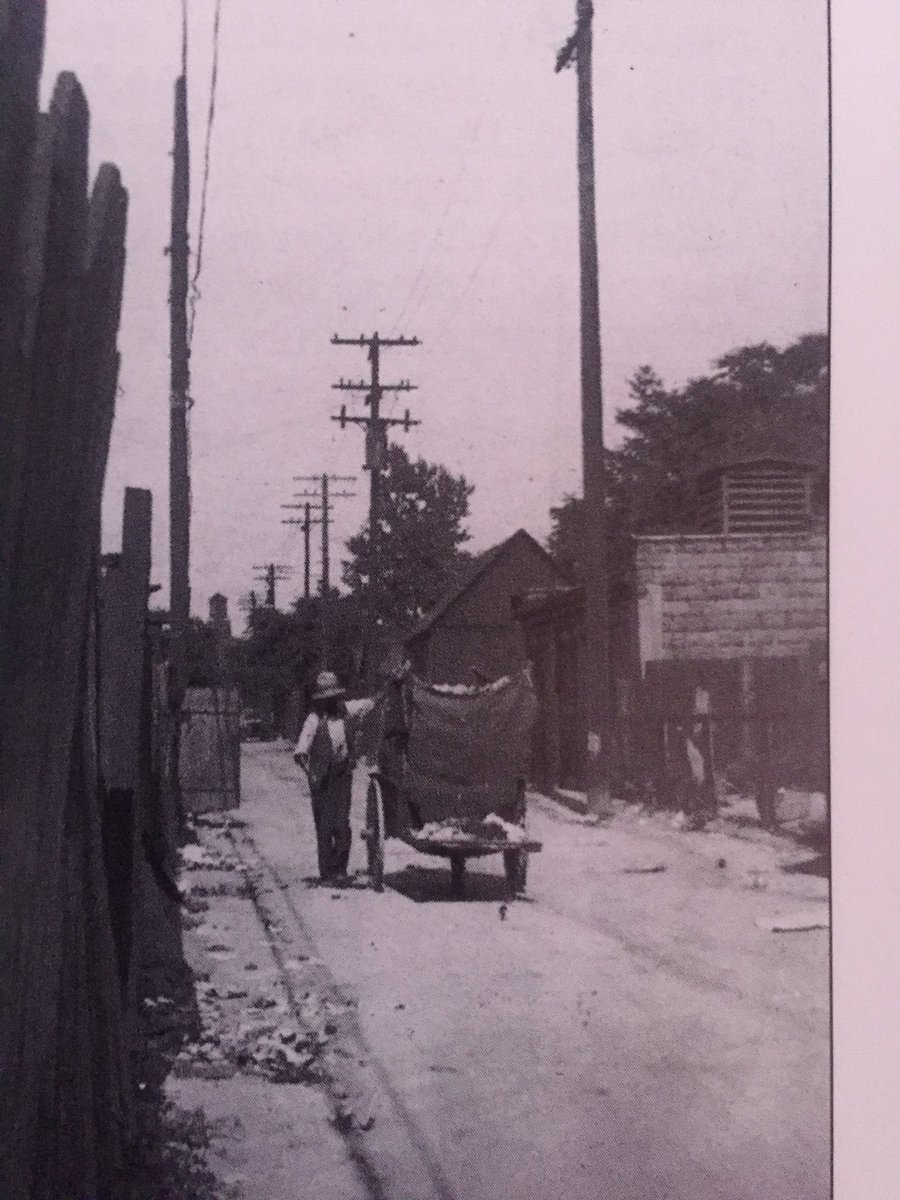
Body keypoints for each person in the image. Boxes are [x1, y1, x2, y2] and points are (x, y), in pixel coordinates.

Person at [293, 671, 378, 884]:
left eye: (334, 698)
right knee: (324, 825)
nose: (332, 702)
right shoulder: (313, 720)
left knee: (341, 823)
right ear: (321, 701)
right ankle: (327, 873)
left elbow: (368, 704)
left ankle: (340, 869)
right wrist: (311, 774)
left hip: (341, 775)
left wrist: (384, 691)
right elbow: (301, 751)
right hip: (321, 777)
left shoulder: (346, 711)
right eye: (328, 699)